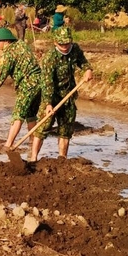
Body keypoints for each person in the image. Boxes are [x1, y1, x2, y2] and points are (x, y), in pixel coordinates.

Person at [30, 27, 93, 161]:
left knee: (66, 130)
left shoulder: (75, 49)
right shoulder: (49, 58)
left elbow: (83, 62)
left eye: (67, 43)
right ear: (55, 43)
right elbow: (47, 83)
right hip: (52, 96)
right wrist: (48, 103)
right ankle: (33, 157)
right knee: (42, 127)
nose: (65, 47)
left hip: (68, 96)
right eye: (61, 44)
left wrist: (87, 70)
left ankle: (62, 158)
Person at [0, 27, 42, 148]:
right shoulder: (21, 44)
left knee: (17, 115)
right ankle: (32, 143)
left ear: (6, 41)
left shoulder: (9, 54)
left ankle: (8, 144)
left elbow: (1, 76)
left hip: (28, 84)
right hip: (39, 83)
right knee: (30, 115)